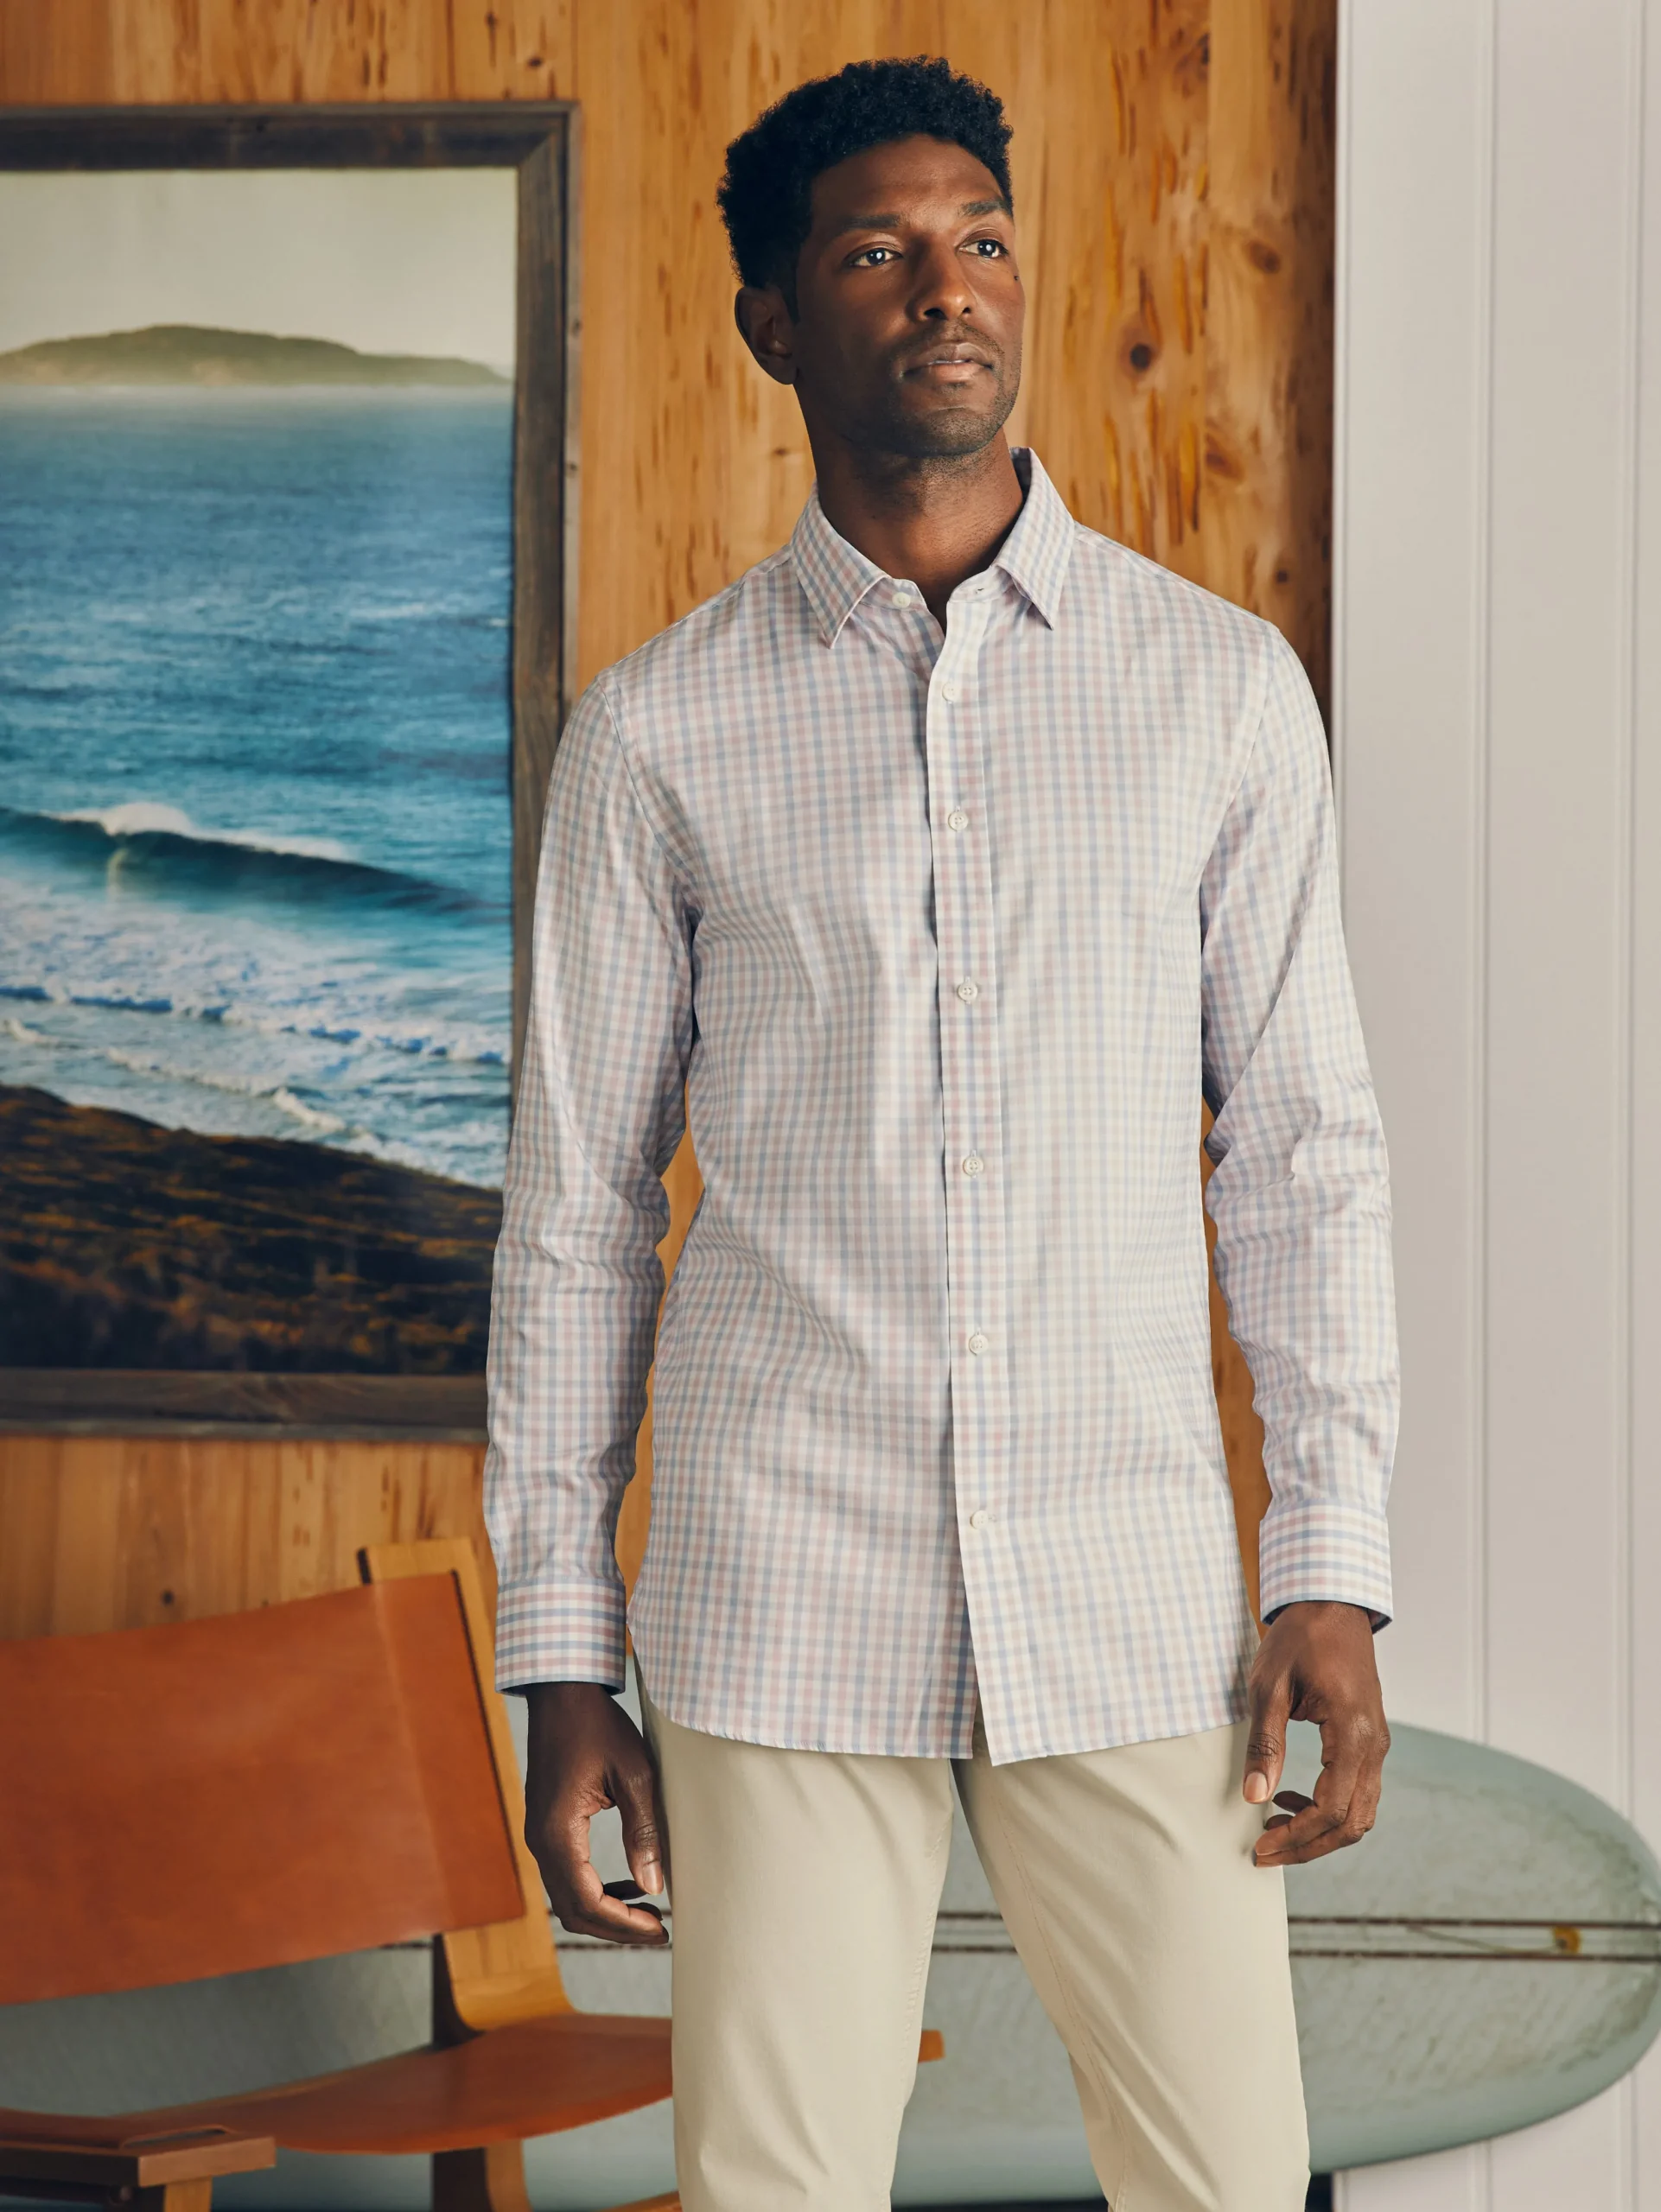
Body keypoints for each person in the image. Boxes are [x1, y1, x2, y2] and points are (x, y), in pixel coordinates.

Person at [486, 54, 1398, 2212]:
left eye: (978, 238)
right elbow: (577, 1214)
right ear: (773, 321)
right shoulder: (658, 733)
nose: (945, 288)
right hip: (777, 1581)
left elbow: (1302, 1150)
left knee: (1226, 2177)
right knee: (774, 2185)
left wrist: (1330, 1561)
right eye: (875, 253)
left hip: (1127, 1576)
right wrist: (559, 1647)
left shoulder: (1213, 692)